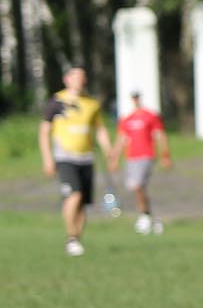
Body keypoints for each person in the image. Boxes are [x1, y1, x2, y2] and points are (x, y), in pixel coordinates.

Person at [40, 66, 115, 257]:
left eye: (83, 77)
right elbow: (44, 131)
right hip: (65, 157)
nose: (80, 81)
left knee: (83, 203)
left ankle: (76, 239)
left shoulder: (91, 104)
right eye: (76, 77)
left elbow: (100, 130)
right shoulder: (57, 101)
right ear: (67, 79)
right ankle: (71, 237)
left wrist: (109, 150)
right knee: (74, 195)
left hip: (86, 157)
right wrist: (48, 158)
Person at [116, 91, 171, 235]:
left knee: (138, 185)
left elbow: (160, 135)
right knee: (136, 187)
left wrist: (165, 155)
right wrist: (114, 157)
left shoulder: (150, 116)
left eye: (137, 97)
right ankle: (149, 216)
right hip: (131, 157)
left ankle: (144, 216)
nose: (135, 100)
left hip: (146, 155)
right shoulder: (126, 119)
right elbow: (122, 139)